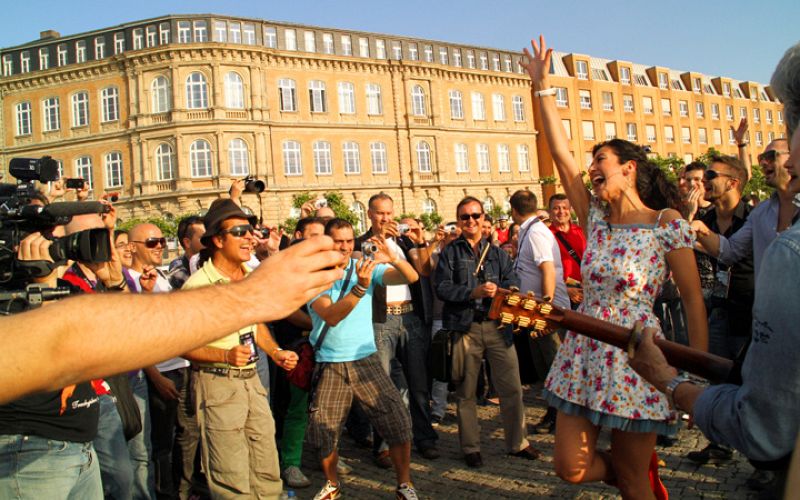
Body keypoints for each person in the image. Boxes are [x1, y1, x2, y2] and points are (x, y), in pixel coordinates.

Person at [521, 35, 707, 498]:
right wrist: (542, 87)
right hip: (585, 348)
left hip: (638, 354)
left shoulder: (666, 223)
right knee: (569, 467)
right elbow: (561, 158)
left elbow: (691, 299)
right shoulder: (597, 218)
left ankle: (635, 472)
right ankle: (632, 469)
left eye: (600, 160)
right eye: (592, 162)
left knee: (632, 481)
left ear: (628, 168)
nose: (591, 168)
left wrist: (693, 374)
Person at [629, 93, 800, 498]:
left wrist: (670, 383)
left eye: (777, 155)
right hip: (752, 315)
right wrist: (693, 227)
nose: (779, 163)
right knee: (749, 384)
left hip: (767, 321)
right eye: (768, 156)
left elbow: (764, 423)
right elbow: (729, 251)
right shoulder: (763, 214)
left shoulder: (773, 228)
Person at [0, 234, 343, 406]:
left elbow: (118, 332)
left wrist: (116, 285)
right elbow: (58, 345)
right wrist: (250, 297)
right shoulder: (198, 280)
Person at [181, 199, 299, 499]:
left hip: (252, 381)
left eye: (249, 230)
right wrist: (224, 355)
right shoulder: (199, 286)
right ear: (218, 240)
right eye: (239, 232)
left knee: (267, 468)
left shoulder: (248, 276)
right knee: (231, 477)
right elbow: (182, 344)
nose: (249, 237)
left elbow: (255, 323)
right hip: (218, 385)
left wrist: (275, 352)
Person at [307, 218, 419, 500]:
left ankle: (405, 484)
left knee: (397, 421)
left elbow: (411, 278)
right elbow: (331, 316)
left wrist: (393, 257)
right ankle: (332, 485)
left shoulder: (364, 267)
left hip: (365, 358)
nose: (345, 247)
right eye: (338, 241)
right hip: (331, 362)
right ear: (327, 243)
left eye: (349, 241)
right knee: (324, 431)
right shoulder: (315, 277)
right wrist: (360, 288)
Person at [434, 196, 540, 468]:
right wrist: (473, 292)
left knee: (511, 387)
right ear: (459, 221)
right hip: (465, 327)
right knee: (466, 391)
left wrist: (501, 292)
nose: (470, 221)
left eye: (475, 215)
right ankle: (471, 447)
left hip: (498, 328)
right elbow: (442, 287)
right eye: (465, 217)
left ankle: (518, 442)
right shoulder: (450, 253)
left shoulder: (497, 253)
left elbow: (514, 281)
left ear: (483, 218)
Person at [355, 193, 439, 465]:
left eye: (389, 213)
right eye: (380, 213)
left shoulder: (403, 241)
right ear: (370, 214)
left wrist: (421, 240)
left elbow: (423, 270)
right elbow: (364, 268)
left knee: (418, 383)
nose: (386, 218)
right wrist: (380, 242)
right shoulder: (361, 242)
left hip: (410, 317)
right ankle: (383, 445)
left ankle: (424, 438)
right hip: (381, 320)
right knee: (382, 385)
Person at [510, 190, 570, 435]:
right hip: (534, 311)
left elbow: (547, 270)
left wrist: (545, 309)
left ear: (513, 211)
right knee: (544, 365)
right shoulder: (530, 229)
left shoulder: (536, 232)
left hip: (546, 313)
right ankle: (553, 412)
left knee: (554, 363)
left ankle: (562, 417)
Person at [548, 193, 586, 309]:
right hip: (561, 293)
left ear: (570, 210)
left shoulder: (581, 232)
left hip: (585, 291)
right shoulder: (546, 236)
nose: (561, 212)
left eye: (565, 208)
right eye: (556, 208)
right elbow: (545, 269)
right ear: (550, 212)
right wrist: (565, 289)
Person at [168, 215, 205, 290]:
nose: (210, 240)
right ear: (187, 242)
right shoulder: (178, 274)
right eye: (204, 237)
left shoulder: (210, 263)